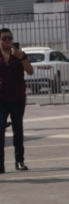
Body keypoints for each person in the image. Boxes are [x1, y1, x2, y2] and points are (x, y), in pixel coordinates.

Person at [0, 29, 33, 172]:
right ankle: (0, 164)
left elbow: (30, 71)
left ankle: (19, 161)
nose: (8, 40)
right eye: (4, 38)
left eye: (10, 38)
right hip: (1, 99)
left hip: (18, 98)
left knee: (18, 130)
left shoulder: (19, 54)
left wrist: (22, 58)